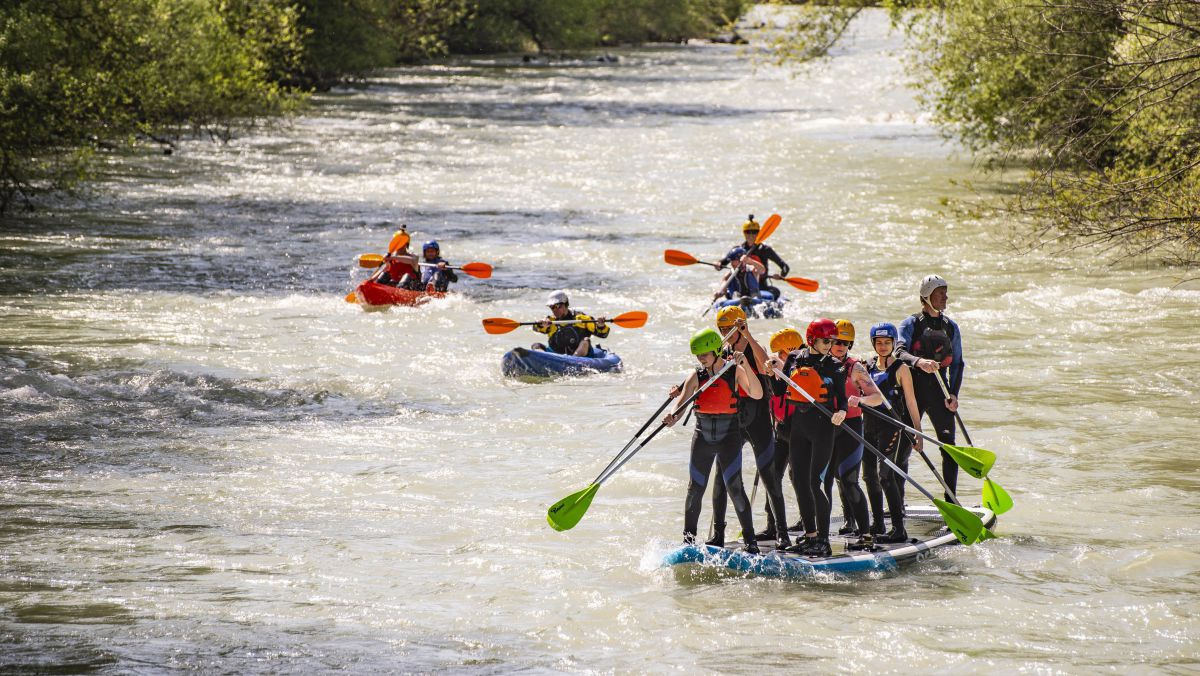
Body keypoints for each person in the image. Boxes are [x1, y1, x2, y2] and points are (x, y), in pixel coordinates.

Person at [663, 328, 762, 554]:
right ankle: (688, 542)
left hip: (730, 437)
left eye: (705, 354)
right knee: (695, 489)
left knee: (735, 488)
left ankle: (751, 542)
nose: (701, 359)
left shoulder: (734, 370)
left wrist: (745, 364)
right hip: (702, 437)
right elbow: (681, 401)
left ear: (716, 350)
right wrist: (672, 416)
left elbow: (756, 393)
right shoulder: (696, 375)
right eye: (698, 355)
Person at [706, 307, 791, 549]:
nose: (725, 333)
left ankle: (781, 533)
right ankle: (718, 534)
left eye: (728, 329)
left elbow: (767, 365)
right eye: (721, 329)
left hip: (759, 420)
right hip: (733, 420)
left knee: (770, 477)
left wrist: (748, 335)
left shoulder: (754, 348)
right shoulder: (722, 352)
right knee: (722, 478)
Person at [765, 318, 847, 557]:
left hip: (824, 428)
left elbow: (841, 398)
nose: (829, 345)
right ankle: (810, 536)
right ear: (812, 339)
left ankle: (823, 540)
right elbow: (780, 391)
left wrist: (841, 412)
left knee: (814, 482)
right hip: (798, 427)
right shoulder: (795, 359)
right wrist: (773, 373)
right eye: (825, 341)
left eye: (832, 341)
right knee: (799, 481)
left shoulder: (835, 364)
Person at [894, 274, 965, 502]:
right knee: (904, 445)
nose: (945, 297)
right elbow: (898, 352)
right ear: (926, 297)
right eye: (940, 293)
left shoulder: (951, 327)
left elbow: (957, 364)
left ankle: (951, 500)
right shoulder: (910, 323)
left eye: (945, 292)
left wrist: (954, 393)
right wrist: (918, 362)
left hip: (940, 392)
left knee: (949, 447)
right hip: (911, 390)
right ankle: (898, 502)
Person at [826, 319, 884, 544]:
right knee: (825, 482)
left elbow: (877, 397)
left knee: (849, 481)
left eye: (846, 342)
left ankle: (866, 533)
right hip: (826, 429)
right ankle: (821, 535)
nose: (841, 346)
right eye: (836, 341)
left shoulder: (856, 368)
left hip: (850, 428)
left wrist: (860, 400)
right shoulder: (819, 365)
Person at [865, 322, 923, 543]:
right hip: (868, 425)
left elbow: (910, 401)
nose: (882, 346)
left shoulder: (901, 368)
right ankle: (878, 523)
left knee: (886, 477)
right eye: (878, 343)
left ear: (893, 344)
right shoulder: (867, 366)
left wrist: (918, 432)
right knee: (868, 476)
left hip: (891, 427)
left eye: (887, 343)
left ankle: (899, 529)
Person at [763, 328, 807, 536]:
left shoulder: (802, 367)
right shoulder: (774, 368)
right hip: (780, 430)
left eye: (779, 354)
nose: (777, 358)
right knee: (772, 476)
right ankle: (773, 526)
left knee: (800, 478)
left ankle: (807, 524)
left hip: (800, 431)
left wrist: (781, 367)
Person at [718, 215, 791, 299]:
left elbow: (785, 267)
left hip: (762, 286)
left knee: (776, 292)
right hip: (742, 286)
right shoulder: (738, 250)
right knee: (727, 294)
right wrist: (718, 264)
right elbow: (723, 263)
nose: (751, 235)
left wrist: (781, 276)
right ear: (744, 233)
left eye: (754, 232)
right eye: (748, 232)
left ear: (759, 233)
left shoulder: (765, 250)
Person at [532, 291, 610, 357]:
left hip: (579, 357)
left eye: (557, 306)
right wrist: (540, 324)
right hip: (556, 356)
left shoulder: (581, 318)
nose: (555, 310)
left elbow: (603, 334)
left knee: (585, 341)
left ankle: (572, 360)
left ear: (566, 304)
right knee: (536, 345)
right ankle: (543, 360)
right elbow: (535, 328)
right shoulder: (549, 321)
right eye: (552, 307)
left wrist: (601, 325)